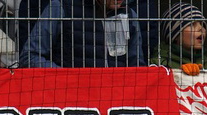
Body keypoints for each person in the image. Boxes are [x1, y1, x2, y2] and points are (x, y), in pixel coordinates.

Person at [18, 0, 146, 68]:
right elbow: (30, 57)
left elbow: (137, 67)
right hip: (71, 97)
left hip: (115, 98)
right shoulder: (61, 7)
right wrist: (68, 78)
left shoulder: (129, 15)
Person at [152, 3, 207, 74]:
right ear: (175, 36)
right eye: (191, 24)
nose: (201, 28)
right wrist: (179, 73)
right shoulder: (158, 65)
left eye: (202, 24)